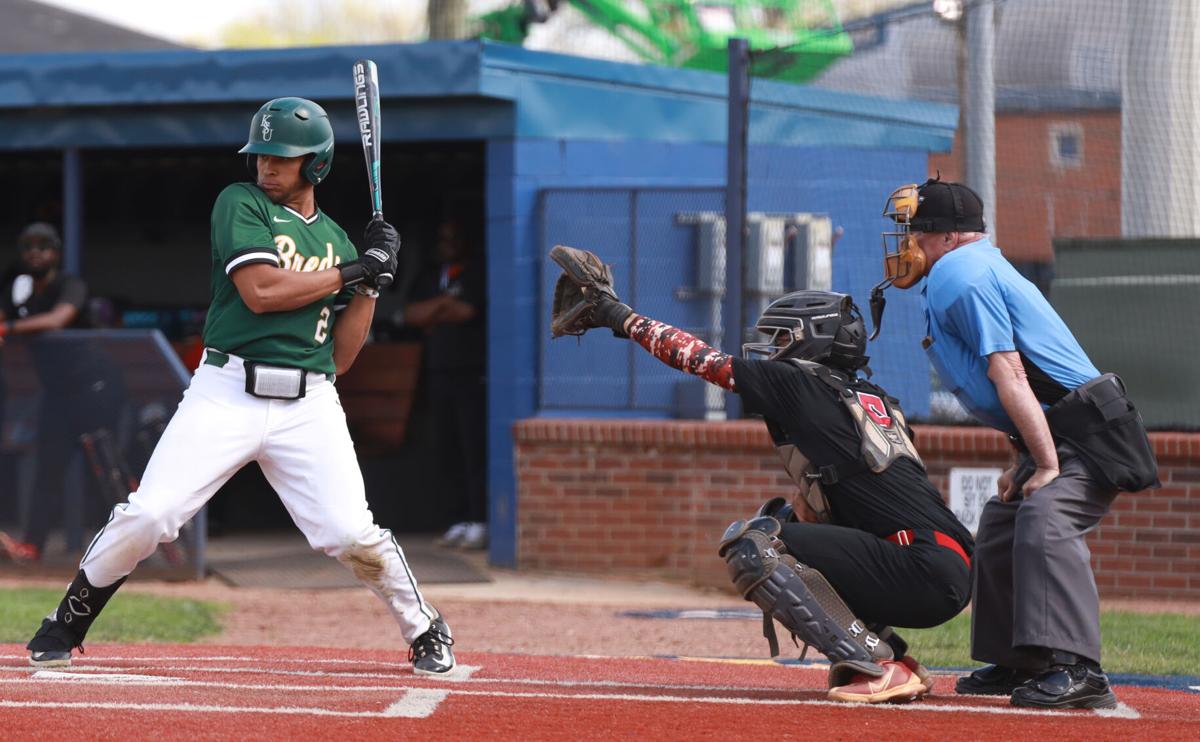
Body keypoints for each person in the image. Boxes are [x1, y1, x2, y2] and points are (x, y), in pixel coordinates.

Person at [24, 97, 456, 676]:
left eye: (282, 157)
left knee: (350, 532)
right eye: (262, 154)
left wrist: (374, 282)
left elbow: (344, 358)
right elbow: (262, 292)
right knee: (152, 513)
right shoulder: (241, 202)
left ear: (316, 164)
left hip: (310, 403)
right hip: (226, 391)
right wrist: (355, 271)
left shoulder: (337, 241)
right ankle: (67, 621)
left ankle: (425, 626)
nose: (266, 166)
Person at [547, 245, 974, 704]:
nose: (771, 350)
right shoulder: (870, 397)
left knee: (756, 544)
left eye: (781, 338)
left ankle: (878, 665)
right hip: (942, 562)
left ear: (813, 339)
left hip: (920, 566)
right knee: (787, 519)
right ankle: (896, 659)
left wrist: (617, 314)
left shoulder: (802, 381)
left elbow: (701, 360)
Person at [872, 177, 1158, 709]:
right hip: (1067, 424)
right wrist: (1023, 459)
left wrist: (1044, 464)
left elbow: (1009, 373)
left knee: (1048, 518)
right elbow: (1013, 383)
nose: (911, 242)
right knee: (1003, 520)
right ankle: (1019, 659)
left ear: (951, 236)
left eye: (920, 231)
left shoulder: (963, 272)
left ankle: (1079, 670)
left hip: (1092, 428)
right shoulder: (965, 268)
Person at [0, 222, 125, 562]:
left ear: (55, 252)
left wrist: (7, 328)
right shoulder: (18, 288)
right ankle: (33, 545)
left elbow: (57, 320)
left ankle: (124, 546)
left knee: (106, 467)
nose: (35, 253)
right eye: (28, 247)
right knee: (47, 469)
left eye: (43, 247)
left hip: (95, 387)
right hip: (57, 393)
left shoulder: (70, 283)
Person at [401, 219, 487, 550]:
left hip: (471, 372)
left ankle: (479, 519)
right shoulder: (430, 275)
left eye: (453, 237)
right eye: (443, 237)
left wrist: (435, 312)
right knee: (446, 448)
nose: (447, 242)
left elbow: (466, 311)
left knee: (472, 447)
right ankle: (458, 520)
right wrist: (443, 305)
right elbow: (411, 314)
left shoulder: (476, 271)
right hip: (438, 371)